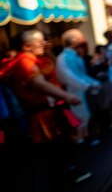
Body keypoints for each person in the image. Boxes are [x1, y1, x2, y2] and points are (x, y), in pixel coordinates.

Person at [0, 29, 90, 189]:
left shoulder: (34, 60)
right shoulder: (25, 63)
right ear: (26, 46)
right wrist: (66, 96)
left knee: (60, 148)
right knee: (53, 153)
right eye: (39, 41)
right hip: (41, 115)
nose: (44, 44)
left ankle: (68, 176)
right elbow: (39, 84)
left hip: (50, 111)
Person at [56, 29, 101, 144]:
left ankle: (89, 137)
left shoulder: (76, 56)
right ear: (73, 41)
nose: (83, 40)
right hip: (74, 92)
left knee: (87, 116)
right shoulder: (63, 58)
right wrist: (87, 85)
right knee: (80, 118)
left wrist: (93, 83)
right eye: (80, 38)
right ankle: (83, 140)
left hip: (83, 92)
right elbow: (68, 77)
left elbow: (82, 74)